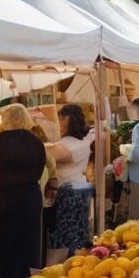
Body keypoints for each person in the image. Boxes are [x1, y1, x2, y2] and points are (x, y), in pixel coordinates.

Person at [0, 104, 47, 278]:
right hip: (29, 198)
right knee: (26, 243)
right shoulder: (36, 142)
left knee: (2, 244)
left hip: (2, 199)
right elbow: (41, 167)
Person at [47, 104, 96, 261]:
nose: (59, 121)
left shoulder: (66, 145)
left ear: (68, 119)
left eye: (61, 117)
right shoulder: (82, 142)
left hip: (69, 193)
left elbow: (49, 156)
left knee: (62, 237)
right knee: (78, 237)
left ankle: (56, 274)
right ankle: (75, 270)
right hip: (82, 192)